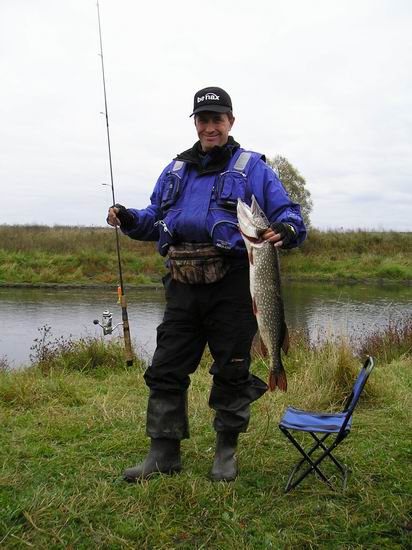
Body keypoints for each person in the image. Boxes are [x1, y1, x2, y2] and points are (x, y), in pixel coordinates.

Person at [107, 86, 307, 483]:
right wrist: (129, 219)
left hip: (233, 285)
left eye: (217, 119)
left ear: (230, 121)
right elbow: (153, 218)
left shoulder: (254, 168)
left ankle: (225, 454)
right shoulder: (175, 170)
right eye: (203, 119)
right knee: (165, 367)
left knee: (232, 370)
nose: (210, 126)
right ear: (195, 123)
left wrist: (286, 228)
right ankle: (163, 454)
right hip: (182, 283)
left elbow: (290, 215)